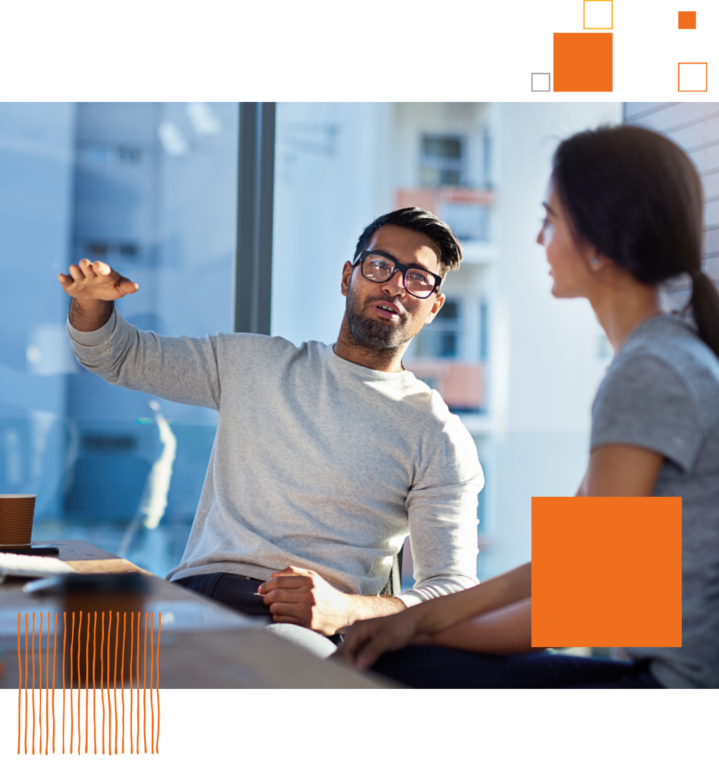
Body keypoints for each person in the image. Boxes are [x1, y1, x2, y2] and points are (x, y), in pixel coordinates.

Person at [336, 124, 719, 689]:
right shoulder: (663, 356)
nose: (540, 239)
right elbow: (566, 580)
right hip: (655, 670)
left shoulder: (648, 372)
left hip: (666, 683)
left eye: (551, 219)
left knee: (397, 665)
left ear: (598, 243)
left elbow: (583, 603)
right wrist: (416, 623)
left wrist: (413, 630)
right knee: (402, 655)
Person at [59, 207, 485, 658]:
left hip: (298, 630)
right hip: (190, 600)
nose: (396, 285)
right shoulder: (252, 364)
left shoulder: (436, 434)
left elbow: (453, 588)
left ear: (434, 306)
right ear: (348, 278)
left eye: (417, 278)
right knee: (58, 650)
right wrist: (92, 302)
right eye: (381, 266)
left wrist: (346, 609)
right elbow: (118, 355)